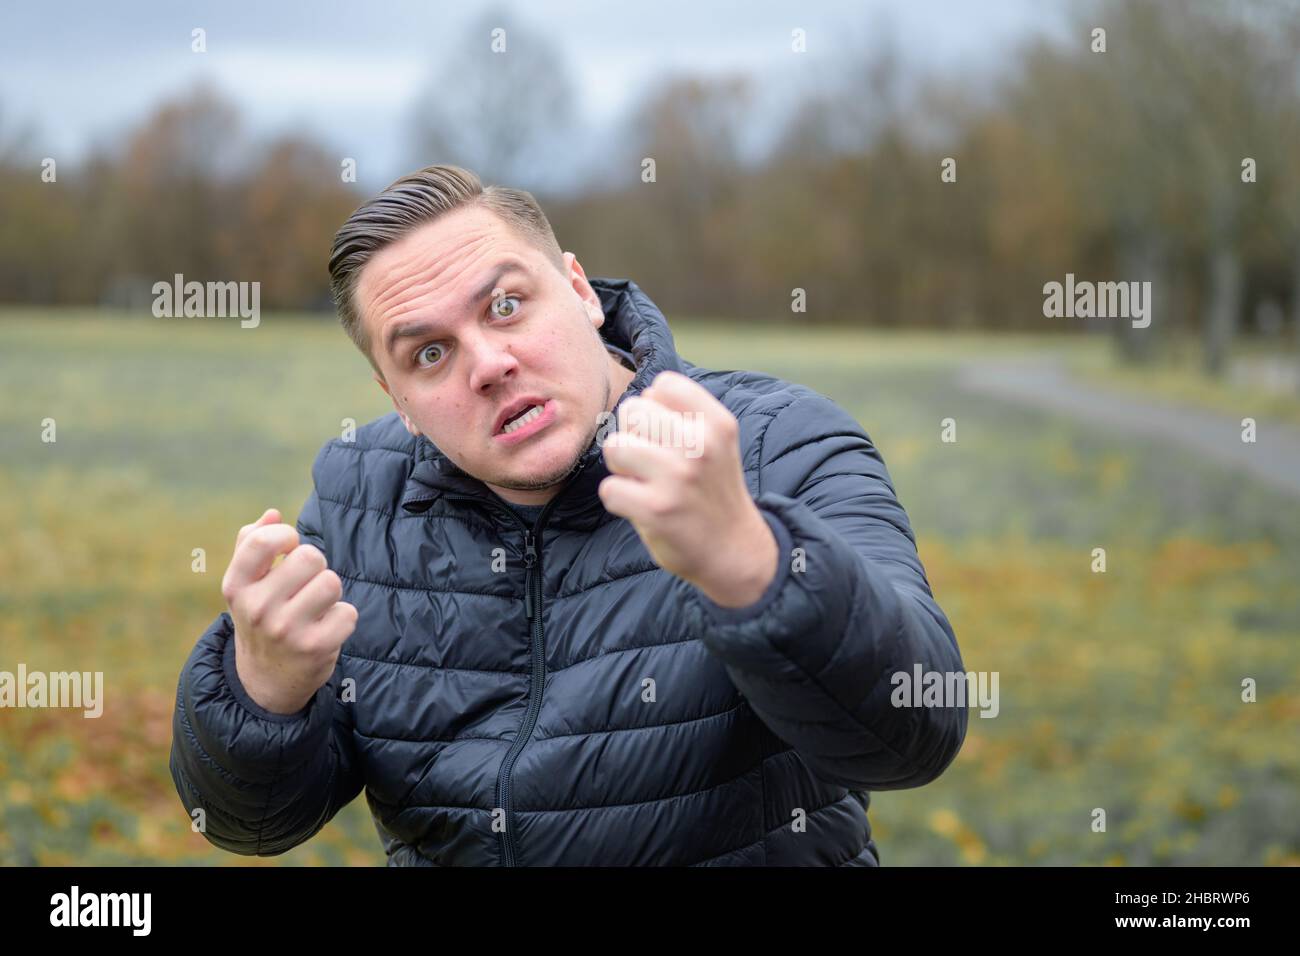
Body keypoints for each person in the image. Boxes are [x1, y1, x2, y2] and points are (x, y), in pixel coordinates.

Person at [169, 164, 967, 866]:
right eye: (429, 354)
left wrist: (753, 566)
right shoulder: (358, 496)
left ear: (580, 291)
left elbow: (916, 730)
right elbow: (252, 823)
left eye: (507, 304)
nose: (488, 364)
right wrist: (263, 692)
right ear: (397, 401)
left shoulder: (773, 443)